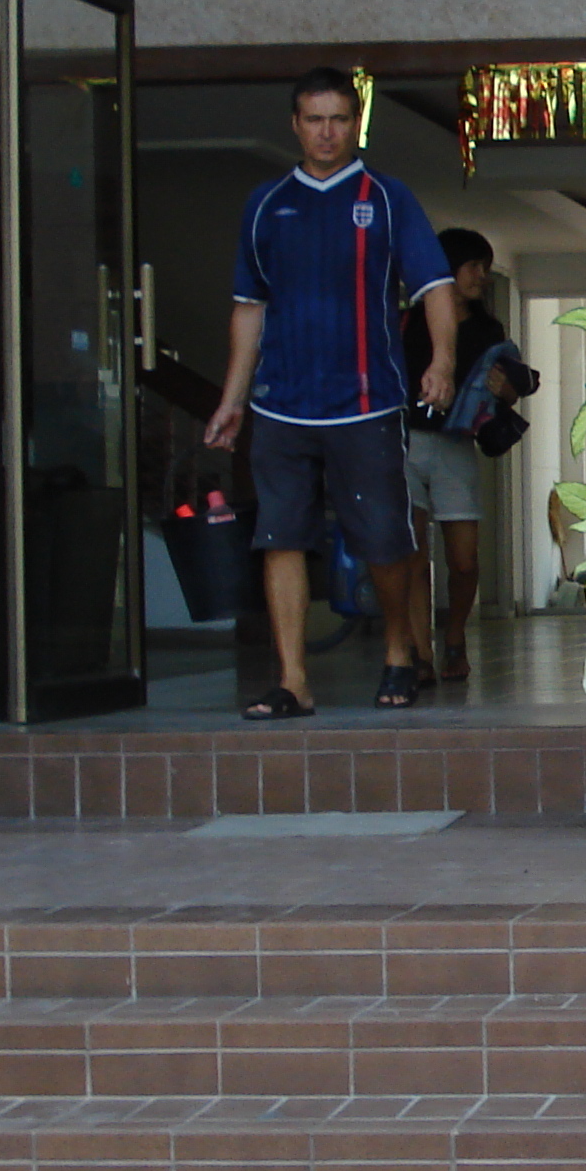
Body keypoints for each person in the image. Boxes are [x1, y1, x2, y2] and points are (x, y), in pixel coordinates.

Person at [203, 67, 458, 719]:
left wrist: (444, 363)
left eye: (338, 119)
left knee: (383, 538)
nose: (326, 131)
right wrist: (232, 399)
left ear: (355, 124)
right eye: (314, 119)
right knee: (278, 538)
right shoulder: (266, 204)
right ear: (296, 125)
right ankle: (293, 680)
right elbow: (248, 308)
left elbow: (434, 287)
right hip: (280, 403)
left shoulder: (388, 197)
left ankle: (400, 651)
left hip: (367, 403)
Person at [401, 226, 535, 686]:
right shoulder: (404, 322)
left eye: (483, 266)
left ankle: (454, 635)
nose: (481, 275)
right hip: (404, 442)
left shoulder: (487, 329)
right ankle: (420, 653)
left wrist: (508, 391)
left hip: (455, 444)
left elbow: (504, 391)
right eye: (472, 266)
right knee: (413, 556)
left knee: (463, 560)